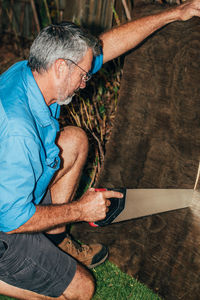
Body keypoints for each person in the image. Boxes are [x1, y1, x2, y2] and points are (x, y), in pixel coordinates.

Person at [0, 1, 200, 299]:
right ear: (60, 66)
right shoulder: (18, 130)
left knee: (74, 141)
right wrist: (80, 210)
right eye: (83, 75)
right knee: (83, 289)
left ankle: (53, 240)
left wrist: (175, 13)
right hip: (7, 224)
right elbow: (12, 219)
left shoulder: (29, 73)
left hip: (9, 184)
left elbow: (107, 46)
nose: (85, 82)